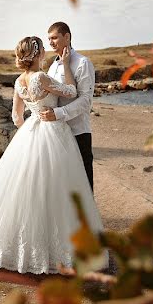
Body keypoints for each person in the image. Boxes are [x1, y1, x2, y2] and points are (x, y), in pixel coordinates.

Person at [0, 36, 105, 274]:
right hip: (54, 132)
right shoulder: (41, 77)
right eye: (43, 48)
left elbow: (16, 117)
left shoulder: (19, 81)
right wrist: (65, 65)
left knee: (25, 189)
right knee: (57, 189)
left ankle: (18, 249)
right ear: (36, 55)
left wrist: (30, 134)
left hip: (31, 133)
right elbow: (72, 91)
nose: (46, 49)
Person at [40, 22, 96, 190]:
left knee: (83, 185)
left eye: (55, 37)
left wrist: (58, 113)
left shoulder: (83, 63)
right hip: (56, 134)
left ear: (67, 37)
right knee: (63, 186)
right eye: (49, 38)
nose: (51, 42)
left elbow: (86, 100)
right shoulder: (52, 67)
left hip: (78, 132)